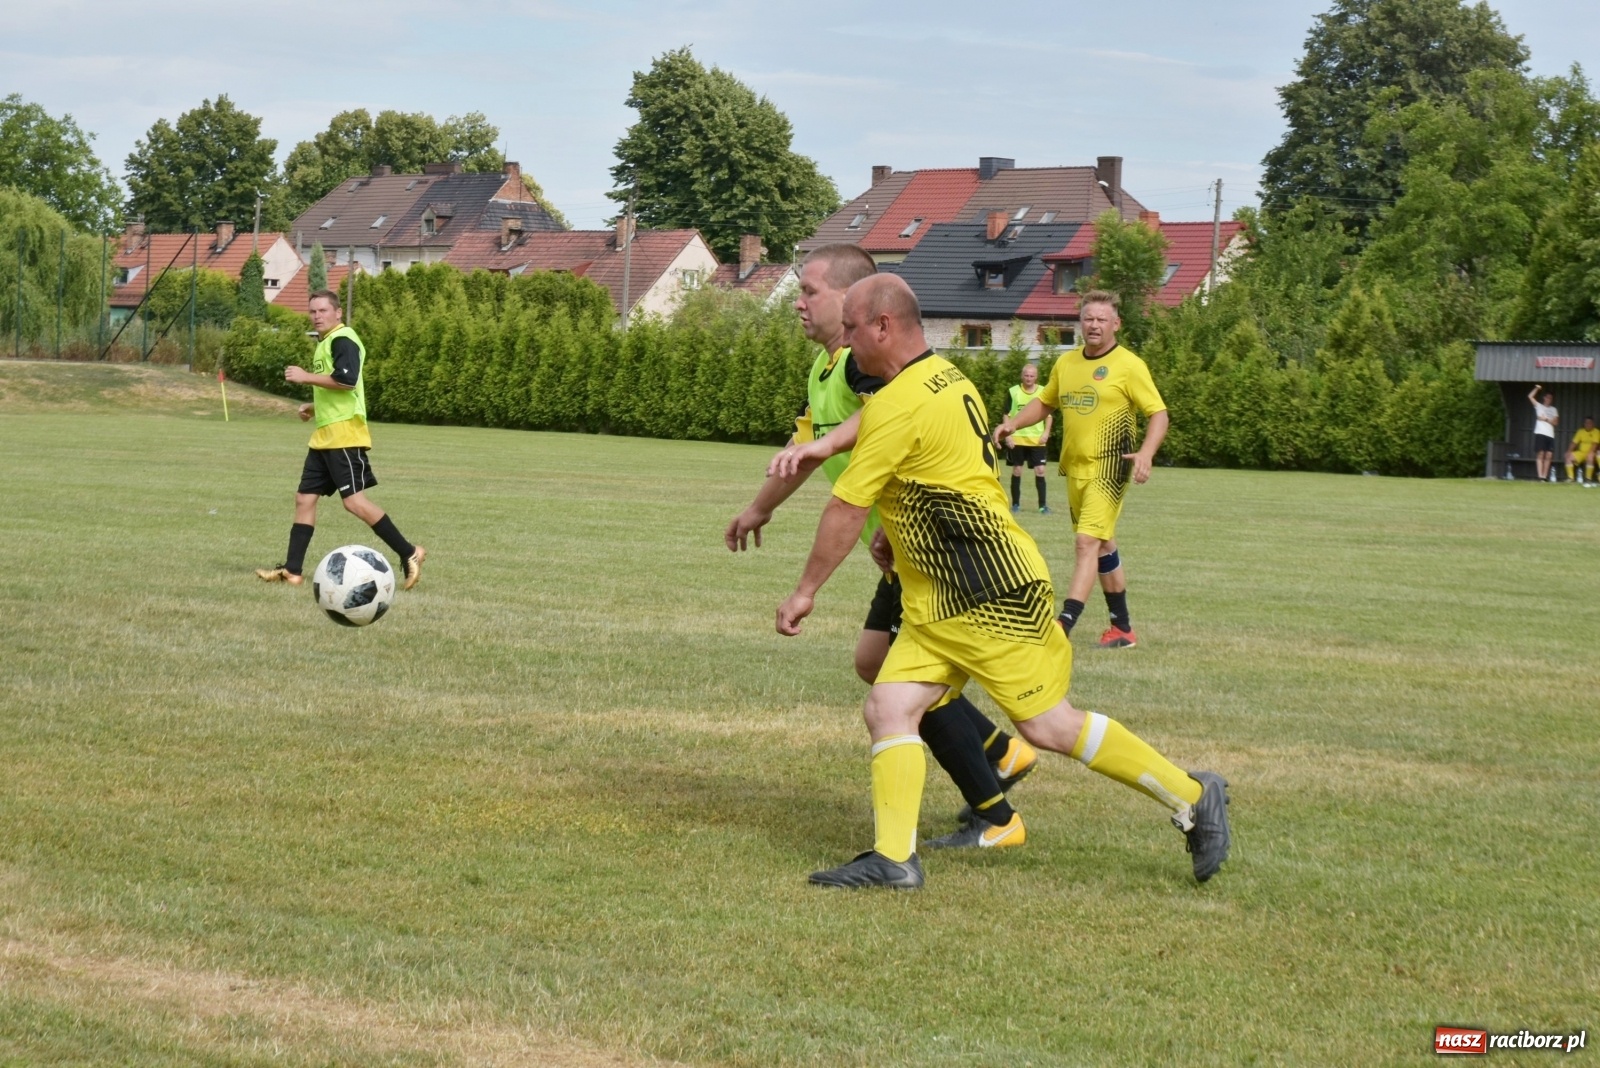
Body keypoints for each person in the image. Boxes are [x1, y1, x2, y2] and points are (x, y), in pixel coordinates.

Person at [776, 274, 1230, 890]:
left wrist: (805, 591)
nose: (847, 342)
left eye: (853, 329)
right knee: (888, 706)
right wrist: (902, 531)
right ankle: (893, 859)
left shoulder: (901, 400)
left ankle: (1191, 795)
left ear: (883, 326)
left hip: (988, 590)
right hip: (938, 594)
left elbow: (846, 507)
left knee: (1048, 726)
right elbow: (955, 468)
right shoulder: (943, 377)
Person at [727, 245, 1036, 850]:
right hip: (900, 550)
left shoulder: (860, 366)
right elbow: (804, 447)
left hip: (929, 550)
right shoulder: (826, 370)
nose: (798, 301)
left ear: (854, 300)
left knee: (898, 683)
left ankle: (997, 809)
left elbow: (888, 415)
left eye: (810, 290)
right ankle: (1002, 751)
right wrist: (759, 507)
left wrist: (810, 585)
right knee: (875, 664)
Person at [992, 291, 1166, 649]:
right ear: (1080, 323)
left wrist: (1147, 453)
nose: (1095, 325)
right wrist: (1013, 425)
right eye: (1089, 318)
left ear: (1116, 324)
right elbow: (1044, 403)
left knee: (1086, 542)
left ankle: (1064, 624)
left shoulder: (1129, 365)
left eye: (1102, 319)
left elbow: (1158, 414)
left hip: (1110, 468)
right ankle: (1122, 628)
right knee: (1103, 545)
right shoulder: (1066, 364)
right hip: (1075, 469)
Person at [256, 289, 426, 589]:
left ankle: (410, 552)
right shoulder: (325, 343)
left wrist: (305, 376)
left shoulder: (343, 339)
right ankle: (292, 571)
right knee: (304, 499)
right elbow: (340, 386)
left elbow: (346, 381)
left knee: (354, 503)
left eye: (323, 311)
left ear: (338, 313)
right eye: (312, 311)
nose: (317, 316)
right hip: (325, 434)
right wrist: (314, 406)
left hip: (345, 434)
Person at [1005, 363, 1053, 514]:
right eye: (1026, 375)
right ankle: (1015, 505)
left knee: (1040, 471)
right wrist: (1008, 435)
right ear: (1022, 376)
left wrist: (1046, 433)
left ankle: (1042, 506)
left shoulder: (1043, 391)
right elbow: (1006, 414)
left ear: (1036, 377)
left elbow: (1049, 415)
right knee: (1017, 470)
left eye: (1032, 376)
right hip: (1017, 439)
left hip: (1036, 440)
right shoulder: (1013, 392)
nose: (1029, 378)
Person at [1529, 386, 1559, 483]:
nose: (1549, 399)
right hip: (1540, 432)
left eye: (1551, 398)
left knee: (1549, 455)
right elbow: (1530, 396)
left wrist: (1545, 419)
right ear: (1544, 398)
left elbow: (1555, 423)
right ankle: (1540, 476)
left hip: (1550, 434)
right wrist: (1537, 388)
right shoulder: (1539, 406)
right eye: (1547, 397)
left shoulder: (1554, 409)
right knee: (1540, 454)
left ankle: (1545, 476)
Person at [1564, 415, 1597, 487]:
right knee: (1568, 456)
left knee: (1590, 456)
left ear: (1592, 424)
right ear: (1584, 424)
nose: (1588, 424)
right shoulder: (1580, 431)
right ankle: (1570, 478)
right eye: (1586, 423)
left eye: (1590, 423)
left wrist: (1590, 453)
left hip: (1591, 453)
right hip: (1581, 452)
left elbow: (1595, 444)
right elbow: (1574, 443)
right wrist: (1569, 451)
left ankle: (1588, 478)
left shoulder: (1596, 431)